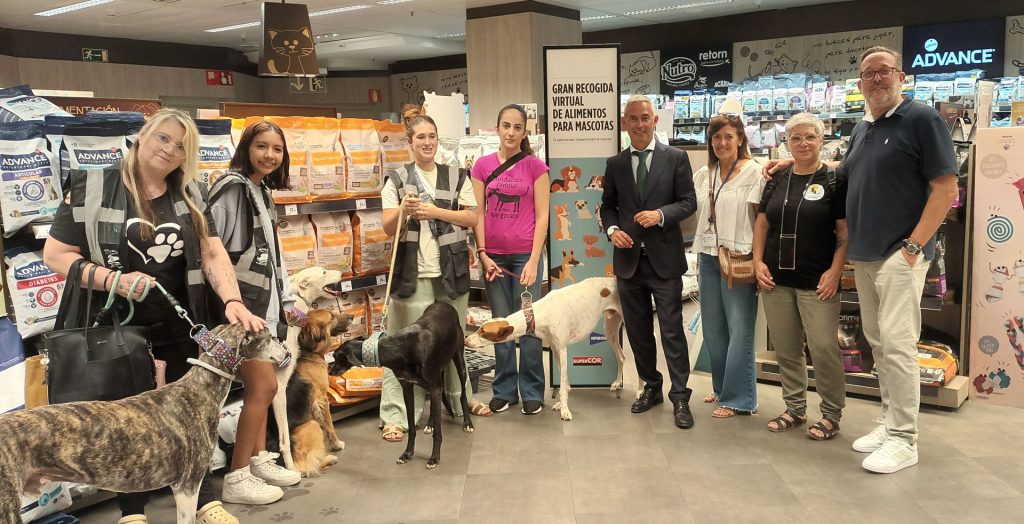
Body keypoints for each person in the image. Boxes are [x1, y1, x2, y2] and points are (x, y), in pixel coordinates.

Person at [43, 108, 264, 524]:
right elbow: (55, 255)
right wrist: (114, 280)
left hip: (181, 322)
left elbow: (212, 251)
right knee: (123, 422)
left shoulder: (190, 192)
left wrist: (232, 300)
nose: (170, 150)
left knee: (194, 418)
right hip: (117, 327)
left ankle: (204, 500)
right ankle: (132, 511)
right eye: (163, 138)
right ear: (143, 134)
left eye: (181, 147)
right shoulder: (93, 186)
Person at [377, 107, 492, 443]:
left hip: (450, 273)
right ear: (409, 142)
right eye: (420, 137)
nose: (427, 142)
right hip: (411, 275)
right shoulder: (396, 179)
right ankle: (397, 415)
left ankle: (460, 402)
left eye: (432, 136)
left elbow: (472, 217)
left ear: (438, 140)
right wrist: (403, 209)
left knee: (452, 341)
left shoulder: (457, 176)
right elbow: (387, 228)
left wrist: (436, 211)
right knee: (400, 344)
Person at [207, 120, 303, 505]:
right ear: (246, 147)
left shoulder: (259, 190)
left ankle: (259, 459)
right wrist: (230, 301)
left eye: (277, 149)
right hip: (238, 309)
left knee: (260, 389)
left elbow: (272, 256)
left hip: (262, 307)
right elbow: (211, 250)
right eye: (261, 146)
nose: (269, 155)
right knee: (264, 387)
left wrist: (287, 303)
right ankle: (237, 476)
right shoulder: (232, 188)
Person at [600, 94, 697, 429]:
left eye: (645, 118)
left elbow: (688, 202)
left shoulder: (676, 158)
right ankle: (651, 387)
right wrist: (612, 230)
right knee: (638, 331)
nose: (639, 124)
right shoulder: (615, 164)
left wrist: (660, 215)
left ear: (655, 121)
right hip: (629, 262)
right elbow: (608, 206)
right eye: (633, 118)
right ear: (624, 123)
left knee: (672, 331)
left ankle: (680, 396)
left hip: (664, 261)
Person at [752, 113, 848, 440]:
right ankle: (794, 408)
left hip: (818, 281)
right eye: (796, 138)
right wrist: (757, 262)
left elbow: (844, 232)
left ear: (821, 141)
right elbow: (762, 223)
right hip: (776, 280)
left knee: (823, 348)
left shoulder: (833, 180)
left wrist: (835, 271)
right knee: (787, 347)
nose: (803, 143)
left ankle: (831, 413)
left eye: (810, 137)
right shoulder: (777, 178)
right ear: (787, 142)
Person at [471, 104, 550, 415]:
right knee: (499, 323)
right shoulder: (482, 166)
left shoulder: (535, 167)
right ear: (497, 128)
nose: (511, 132)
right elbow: (476, 214)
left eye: (518, 127)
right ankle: (504, 389)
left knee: (528, 323)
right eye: (506, 126)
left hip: (525, 257)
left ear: (524, 131)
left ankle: (532, 389)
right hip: (493, 259)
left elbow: (543, 216)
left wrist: (534, 260)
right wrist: (482, 254)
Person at [691, 112, 765, 419]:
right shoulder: (703, 174)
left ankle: (740, 399)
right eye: (716, 137)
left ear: (740, 139)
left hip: (739, 257)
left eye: (728, 137)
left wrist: (759, 259)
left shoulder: (754, 172)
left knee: (739, 327)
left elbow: (761, 220)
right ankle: (722, 389)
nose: (722, 143)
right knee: (713, 329)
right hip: (708, 256)